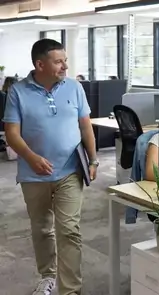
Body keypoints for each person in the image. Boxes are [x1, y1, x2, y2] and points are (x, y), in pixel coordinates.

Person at [2, 38, 98, 295]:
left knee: (69, 230)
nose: (65, 66)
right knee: (42, 229)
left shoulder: (74, 87)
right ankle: (48, 276)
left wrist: (94, 158)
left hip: (70, 170)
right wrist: (31, 157)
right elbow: (12, 133)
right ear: (40, 64)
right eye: (59, 61)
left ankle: (71, 290)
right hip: (33, 174)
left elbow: (85, 125)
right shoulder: (18, 92)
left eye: (65, 60)